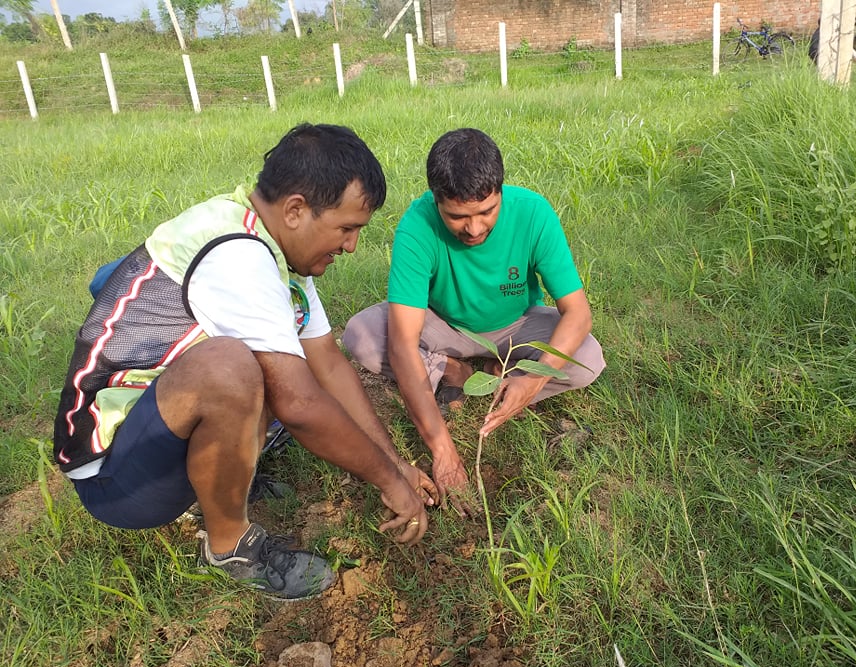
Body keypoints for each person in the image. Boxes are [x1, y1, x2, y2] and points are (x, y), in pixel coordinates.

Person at [53, 123, 436, 601]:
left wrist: (397, 464)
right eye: (347, 228)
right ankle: (229, 546)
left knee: (277, 357)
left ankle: (221, 486)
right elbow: (300, 404)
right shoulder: (237, 255)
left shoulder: (273, 249)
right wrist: (387, 481)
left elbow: (329, 367)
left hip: (156, 428)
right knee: (230, 366)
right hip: (116, 478)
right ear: (296, 210)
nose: (352, 246)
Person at [342, 128, 605, 517]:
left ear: (500, 191)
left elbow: (578, 313)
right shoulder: (417, 228)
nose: (475, 228)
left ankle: (495, 376)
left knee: (587, 358)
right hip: (443, 327)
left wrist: (535, 378)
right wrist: (443, 451)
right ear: (436, 200)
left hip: (517, 326)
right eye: (457, 217)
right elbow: (401, 342)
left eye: (487, 212)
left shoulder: (533, 214)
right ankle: (455, 368)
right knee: (361, 336)